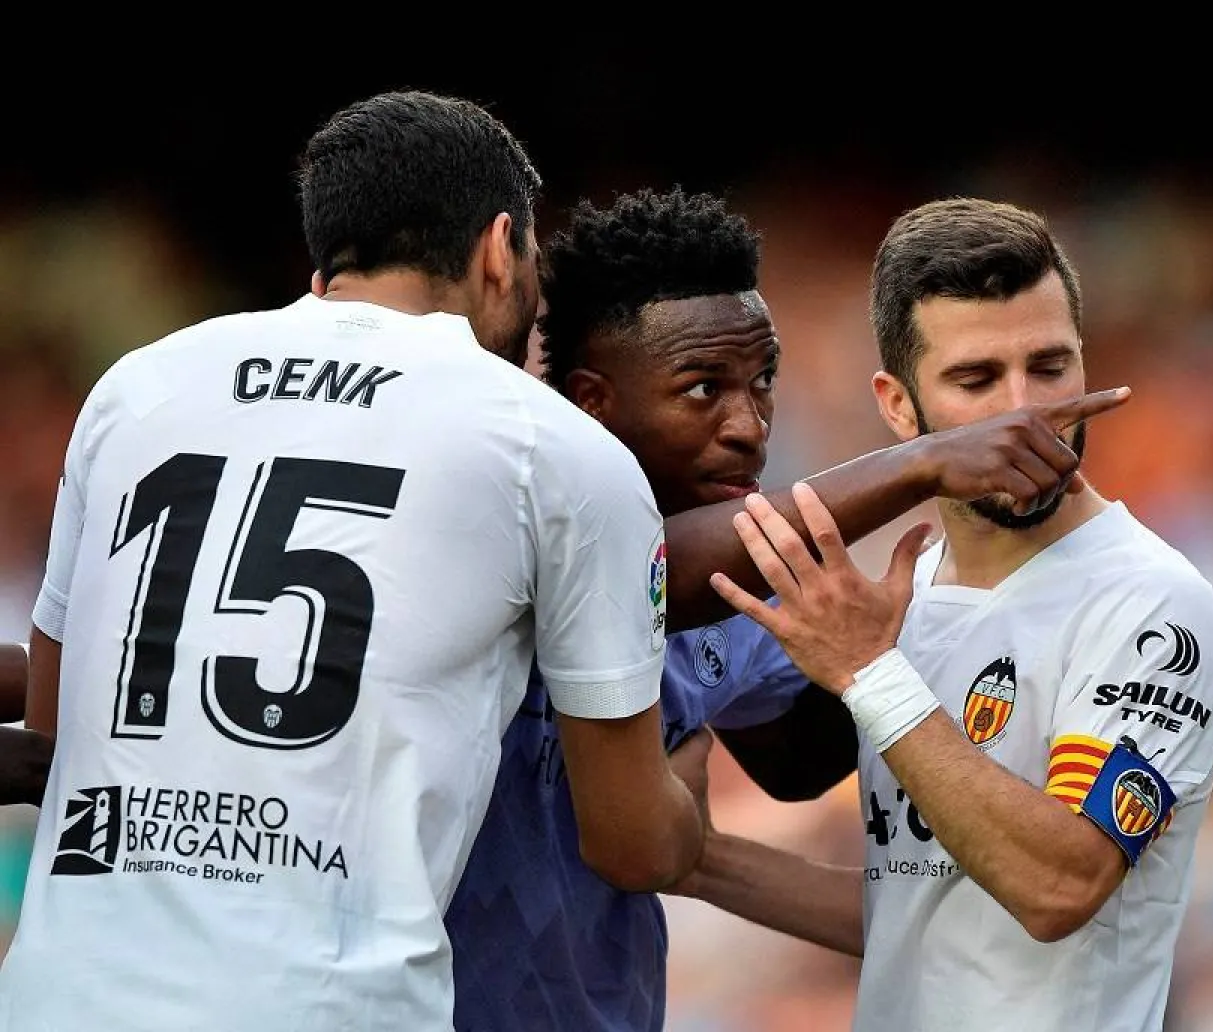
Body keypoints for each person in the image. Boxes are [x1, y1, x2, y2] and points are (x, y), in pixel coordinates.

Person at [0, 90, 704, 1032]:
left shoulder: (137, 385)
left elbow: (53, 733)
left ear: (327, 250)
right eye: (532, 258)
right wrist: (689, 787)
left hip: (61, 996)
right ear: (500, 247)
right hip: (324, 1006)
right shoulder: (555, 448)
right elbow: (632, 845)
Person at [445, 186, 1135, 1031]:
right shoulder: (497, 524)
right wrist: (924, 463)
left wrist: (916, 651)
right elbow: (634, 568)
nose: (751, 425)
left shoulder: (736, 588)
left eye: (763, 381)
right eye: (703, 390)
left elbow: (799, 762)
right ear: (592, 400)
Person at [708, 197, 1213, 1032]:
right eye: (976, 379)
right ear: (898, 407)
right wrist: (698, 861)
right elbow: (921, 910)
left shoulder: (1152, 603)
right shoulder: (908, 591)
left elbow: (1058, 885)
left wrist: (869, 674)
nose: (1024, 407)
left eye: (1049, 365)